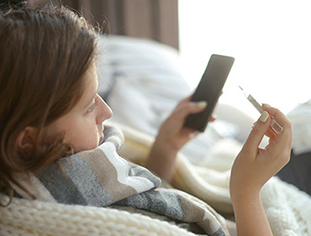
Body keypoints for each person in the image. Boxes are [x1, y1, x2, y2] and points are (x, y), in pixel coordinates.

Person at [0, 5, 292, 236]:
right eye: (89, 107)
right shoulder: (88, 223)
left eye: (98, 95)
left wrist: (166, 146)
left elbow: (134, 193)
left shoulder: (72, 169)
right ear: (28, 141)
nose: (107, 112)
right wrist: (247, 191)